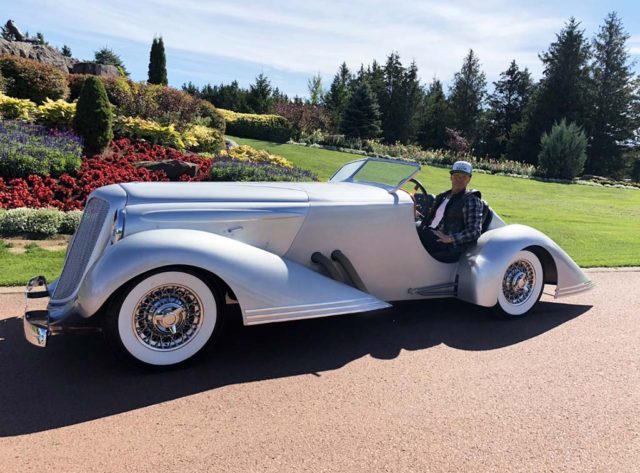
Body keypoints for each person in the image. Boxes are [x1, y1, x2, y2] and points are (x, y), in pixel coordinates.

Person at [419, 160, 484, 263]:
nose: (460, 179)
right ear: (451, 177)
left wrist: (450, 238)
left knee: (413, 232)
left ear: (469, 179)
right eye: (457, 175)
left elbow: (474, 231)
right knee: (408, 226)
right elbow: (433, 220)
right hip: (430, 234)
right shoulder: (442, 196)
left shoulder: (471, 200)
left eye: (464, 177)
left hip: (448, 245)